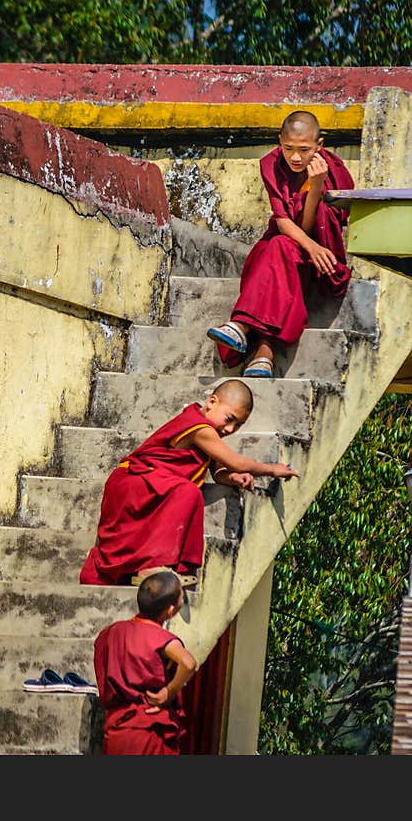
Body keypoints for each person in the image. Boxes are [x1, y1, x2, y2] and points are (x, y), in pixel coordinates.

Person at [79, 378, 299, 587]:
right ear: (212, 402)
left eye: (238, 425)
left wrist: (233, 478)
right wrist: (272, 469)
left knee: (187, 491)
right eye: (229, 419)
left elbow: (219, 470)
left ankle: (158, 566)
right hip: (133, 482)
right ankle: (151, 566)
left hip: (152, 483)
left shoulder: (207, 432)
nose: (230, 429)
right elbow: (237, 462)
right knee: (188, 492)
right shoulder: (198, 428)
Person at [207, 110, 355, 378]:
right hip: (297, 248)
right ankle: (264, 354)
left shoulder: (332, 171)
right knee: (277, 247)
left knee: (278, 248)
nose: (295, 157)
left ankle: (242, 327)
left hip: (318, 260)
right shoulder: (271, 165)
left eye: (304, 149)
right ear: (279, 142)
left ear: (319, 145)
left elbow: (312, 226)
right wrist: (310, 245)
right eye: (288, 148)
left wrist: (317, 185)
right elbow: (284, 221)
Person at [93, 570, 197, 755]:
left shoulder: (110, 633)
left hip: (119, 728)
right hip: (150, 727)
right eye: (182, 596)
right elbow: (189, 663)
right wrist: (169, 692)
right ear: (170, 610)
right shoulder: (163, 639)